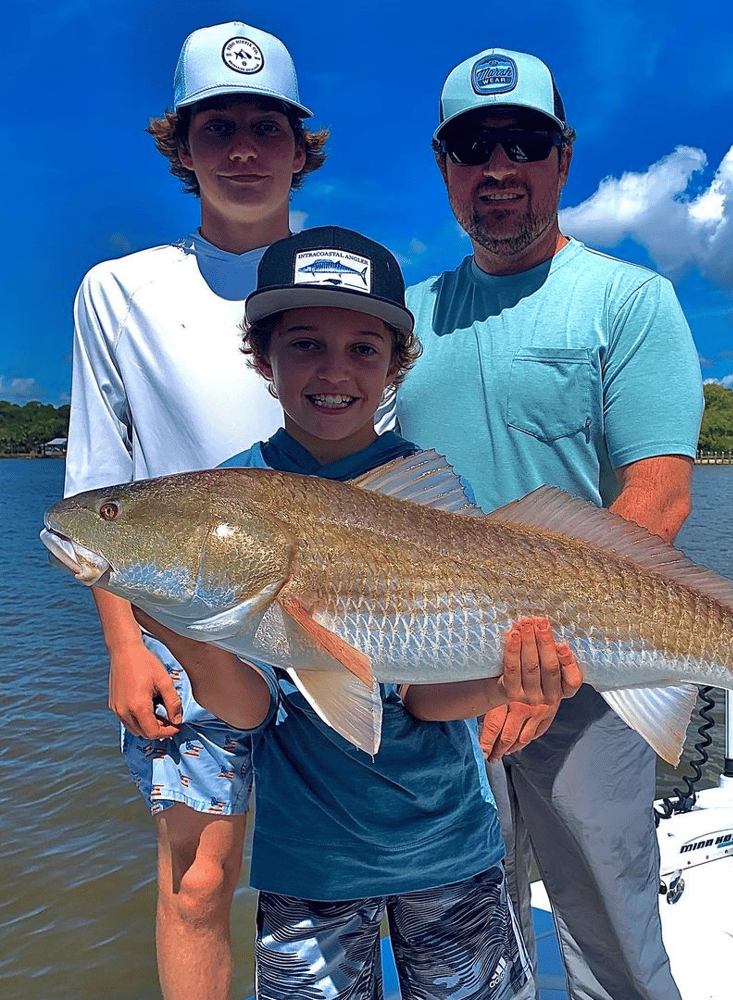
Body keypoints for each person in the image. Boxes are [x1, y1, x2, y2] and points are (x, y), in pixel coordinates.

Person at [136, 224, 583, 1000]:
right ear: (261, 359)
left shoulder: (429, 485)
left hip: (449, 843)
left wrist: (513, 685)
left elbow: (427, 697)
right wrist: (192, 639)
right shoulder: (229, 494)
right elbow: (247, 712)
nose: (335, 371)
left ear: (396, 367)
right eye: (305, 343)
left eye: (364, 350)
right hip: (309, 861)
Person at [393, 48, 704, 1000]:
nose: (498, 167)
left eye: (524, 142)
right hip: (437, 675)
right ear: (444, 165)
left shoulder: (630, 301)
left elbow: (657, 498)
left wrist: (543, 654)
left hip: (592, 676)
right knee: (461, 934)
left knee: (610, 921)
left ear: (563, 159)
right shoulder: (403, 319)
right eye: (471, 145)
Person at [64, 22, 328, 1000]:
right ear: (180, 146)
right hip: (182, 632)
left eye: (269, 126)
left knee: (338, 879)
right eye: (218, 128)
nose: (246, 149)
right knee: (198, 881)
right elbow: (97, 484)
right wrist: (124, 647)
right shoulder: (117, 291)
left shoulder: (350, 280)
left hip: (332, 619)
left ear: (303, 146)